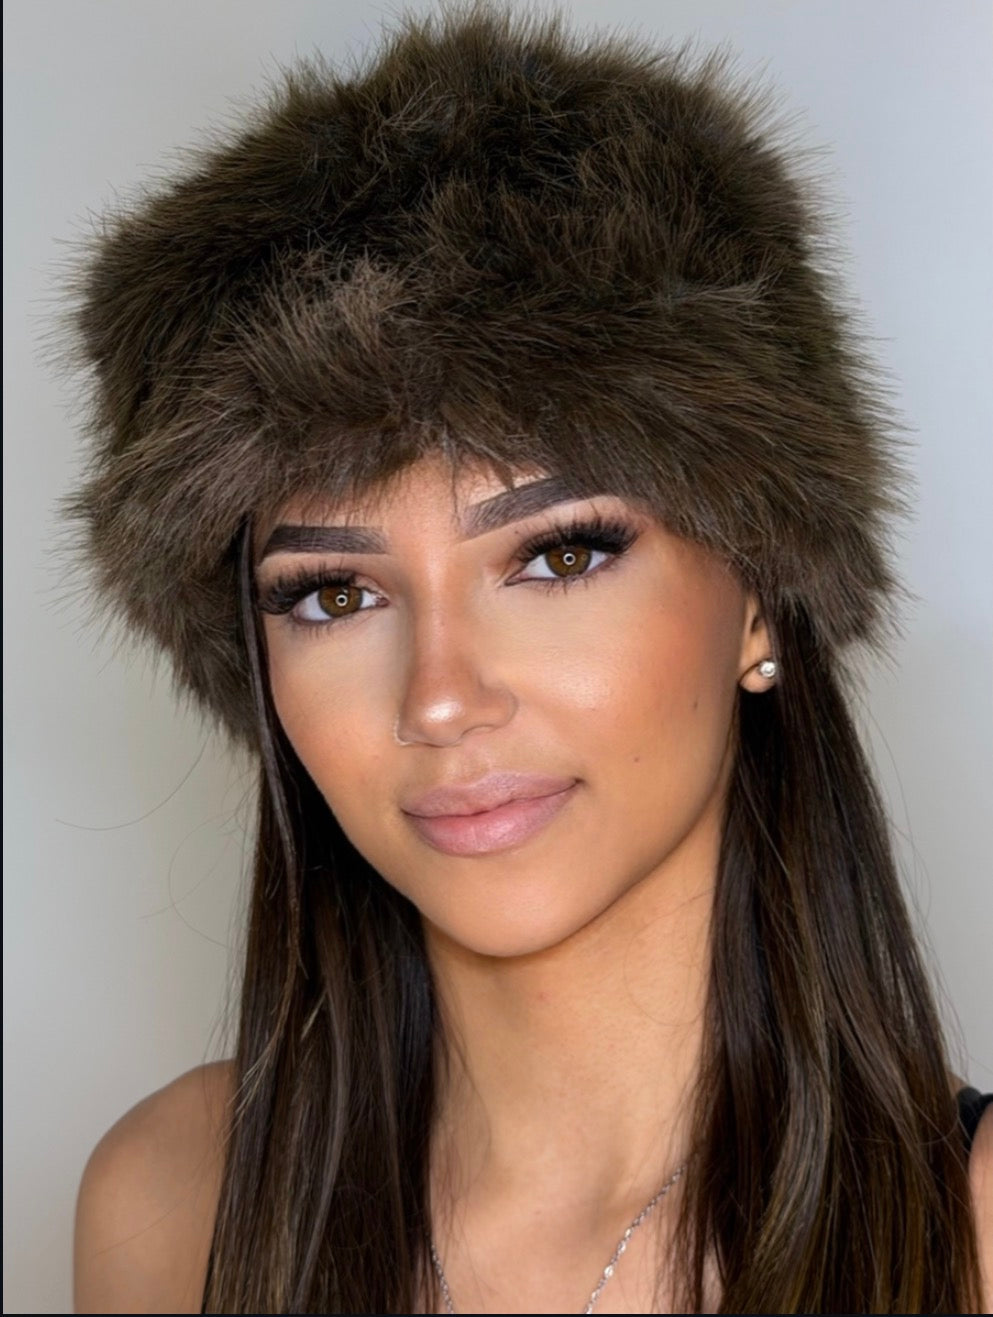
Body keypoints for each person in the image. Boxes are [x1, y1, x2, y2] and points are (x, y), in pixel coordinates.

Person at [65, 4, 990, 1312]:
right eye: (335, 592)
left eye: (557, 557)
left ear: (759, 603)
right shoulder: (175, 1205)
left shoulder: (974, 1231)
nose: (442, 697)